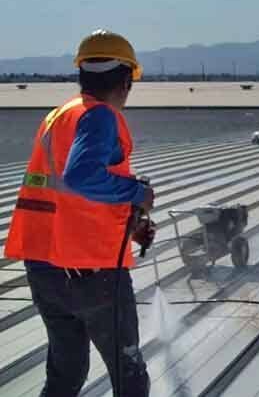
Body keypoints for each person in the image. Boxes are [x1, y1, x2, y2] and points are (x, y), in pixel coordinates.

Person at [4, 30, 154, 397]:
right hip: (91, 272)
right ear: (124, 80)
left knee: (67, 373)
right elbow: (81, 176)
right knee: (129, 373)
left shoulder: (59, 116)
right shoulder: (100, 116)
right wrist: (139, 192)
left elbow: (64, 199)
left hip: (45, 267)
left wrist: (128, 226)